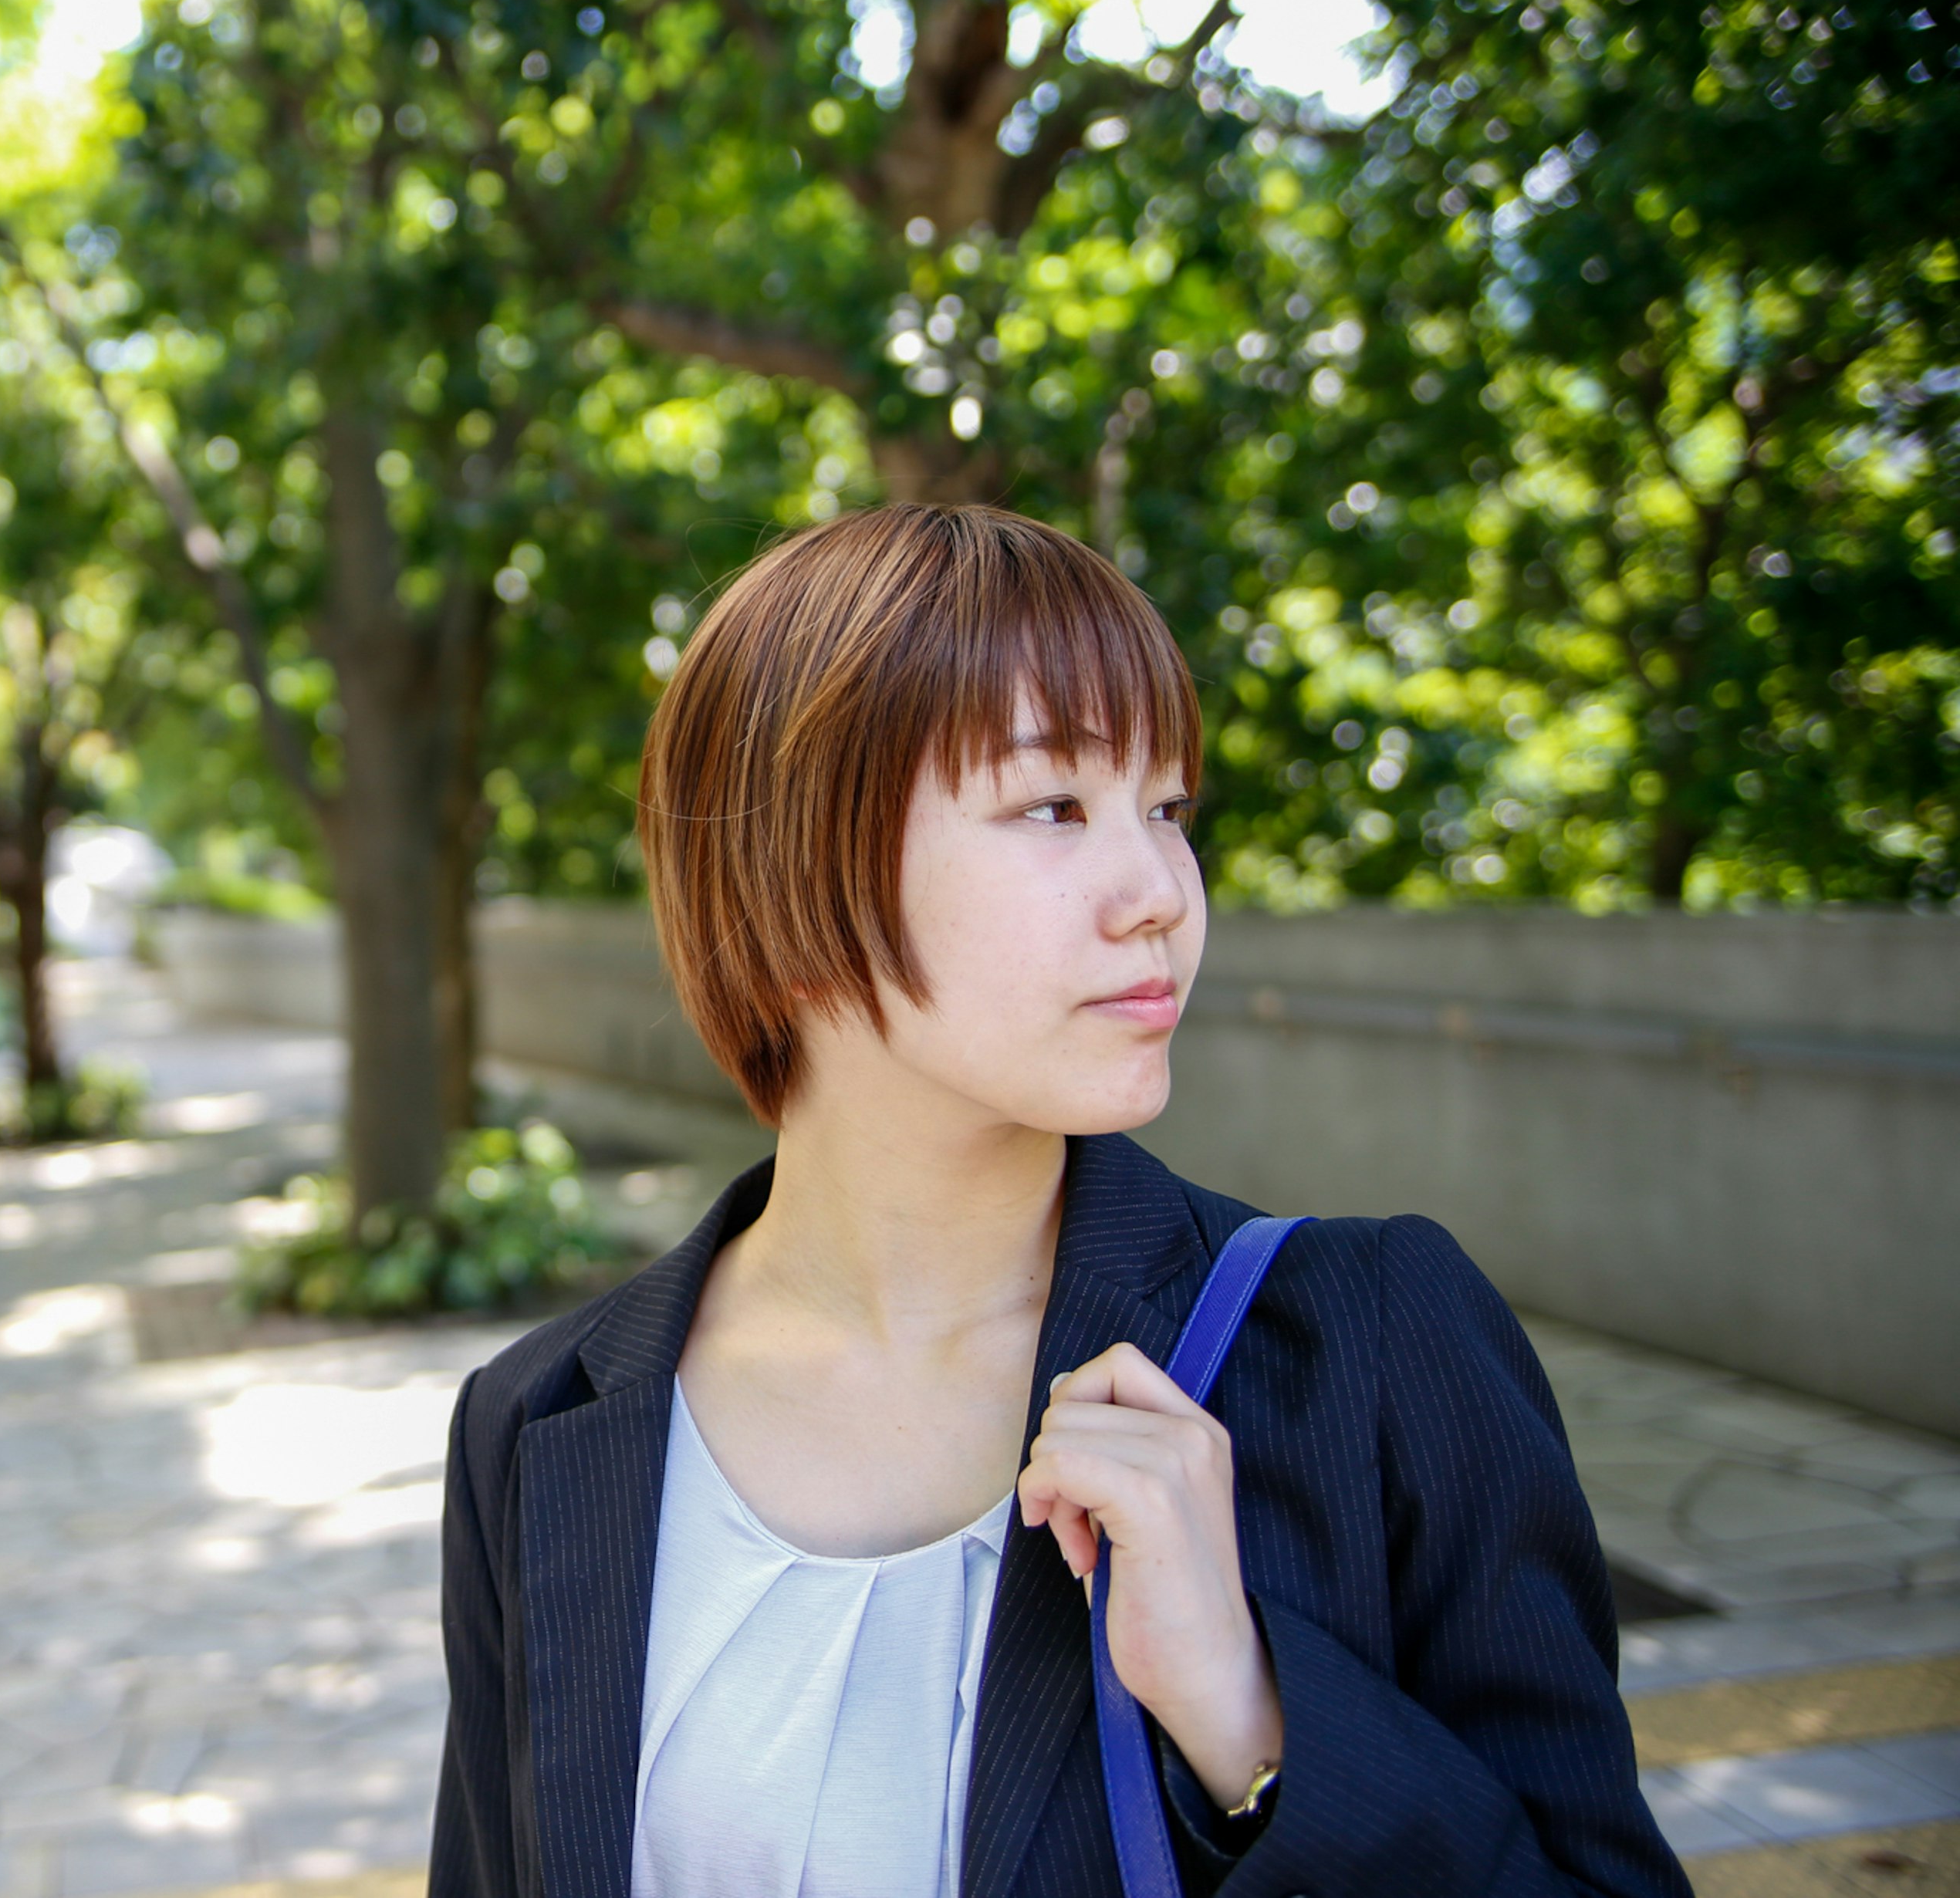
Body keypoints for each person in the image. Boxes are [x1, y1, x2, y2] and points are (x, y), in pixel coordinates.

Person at [428, 504, 1689, 1898]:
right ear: (786, 869)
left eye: (1166, 809)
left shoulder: (1367, 1346)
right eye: (1052, 807)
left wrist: (1250, 1717)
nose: (1159, 891)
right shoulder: (544, 1422)